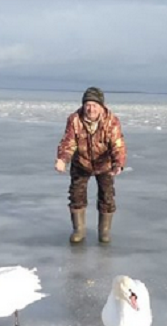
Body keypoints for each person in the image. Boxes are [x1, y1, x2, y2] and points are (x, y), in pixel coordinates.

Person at [55, 87, 127, 244]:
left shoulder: (111, 121)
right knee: (76, 195)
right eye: (88, 104)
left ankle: (104, 231)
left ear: (101, 106)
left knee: (107, 197)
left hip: (104, 164)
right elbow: (69, 141)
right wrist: (62, 159)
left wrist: (118, 164)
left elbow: (117, 144)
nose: (91, 108)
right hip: (81, 162)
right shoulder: (75, 119)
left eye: (94, 105)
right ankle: (79, 230)